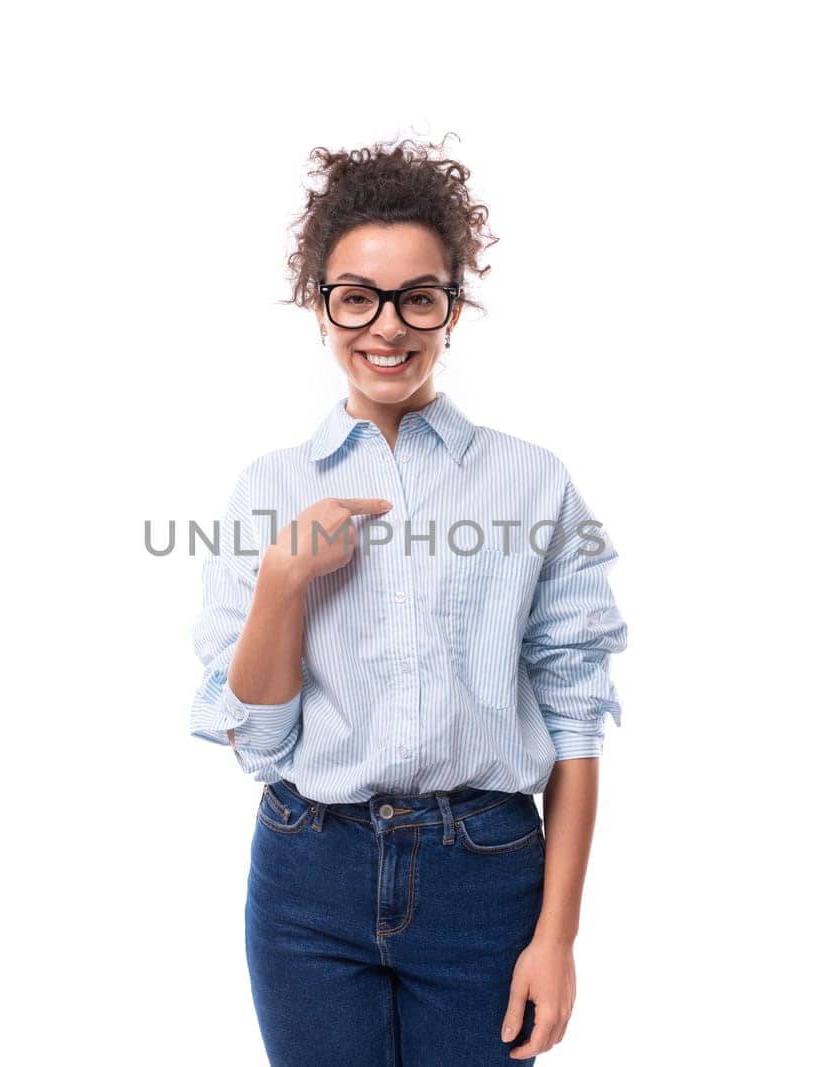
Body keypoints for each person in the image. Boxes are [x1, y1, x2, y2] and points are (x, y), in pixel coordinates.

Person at [189, 135, 629, 1065]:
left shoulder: (532, 482)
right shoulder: (269, 486)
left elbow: (577, 718)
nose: (385, 327)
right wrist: (282, 580)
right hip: (310, 879)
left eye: (417, 297)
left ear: (452, 309)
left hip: (486, 879)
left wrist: (557, 938)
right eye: (357, 297)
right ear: (320, 306)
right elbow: (259, 745)